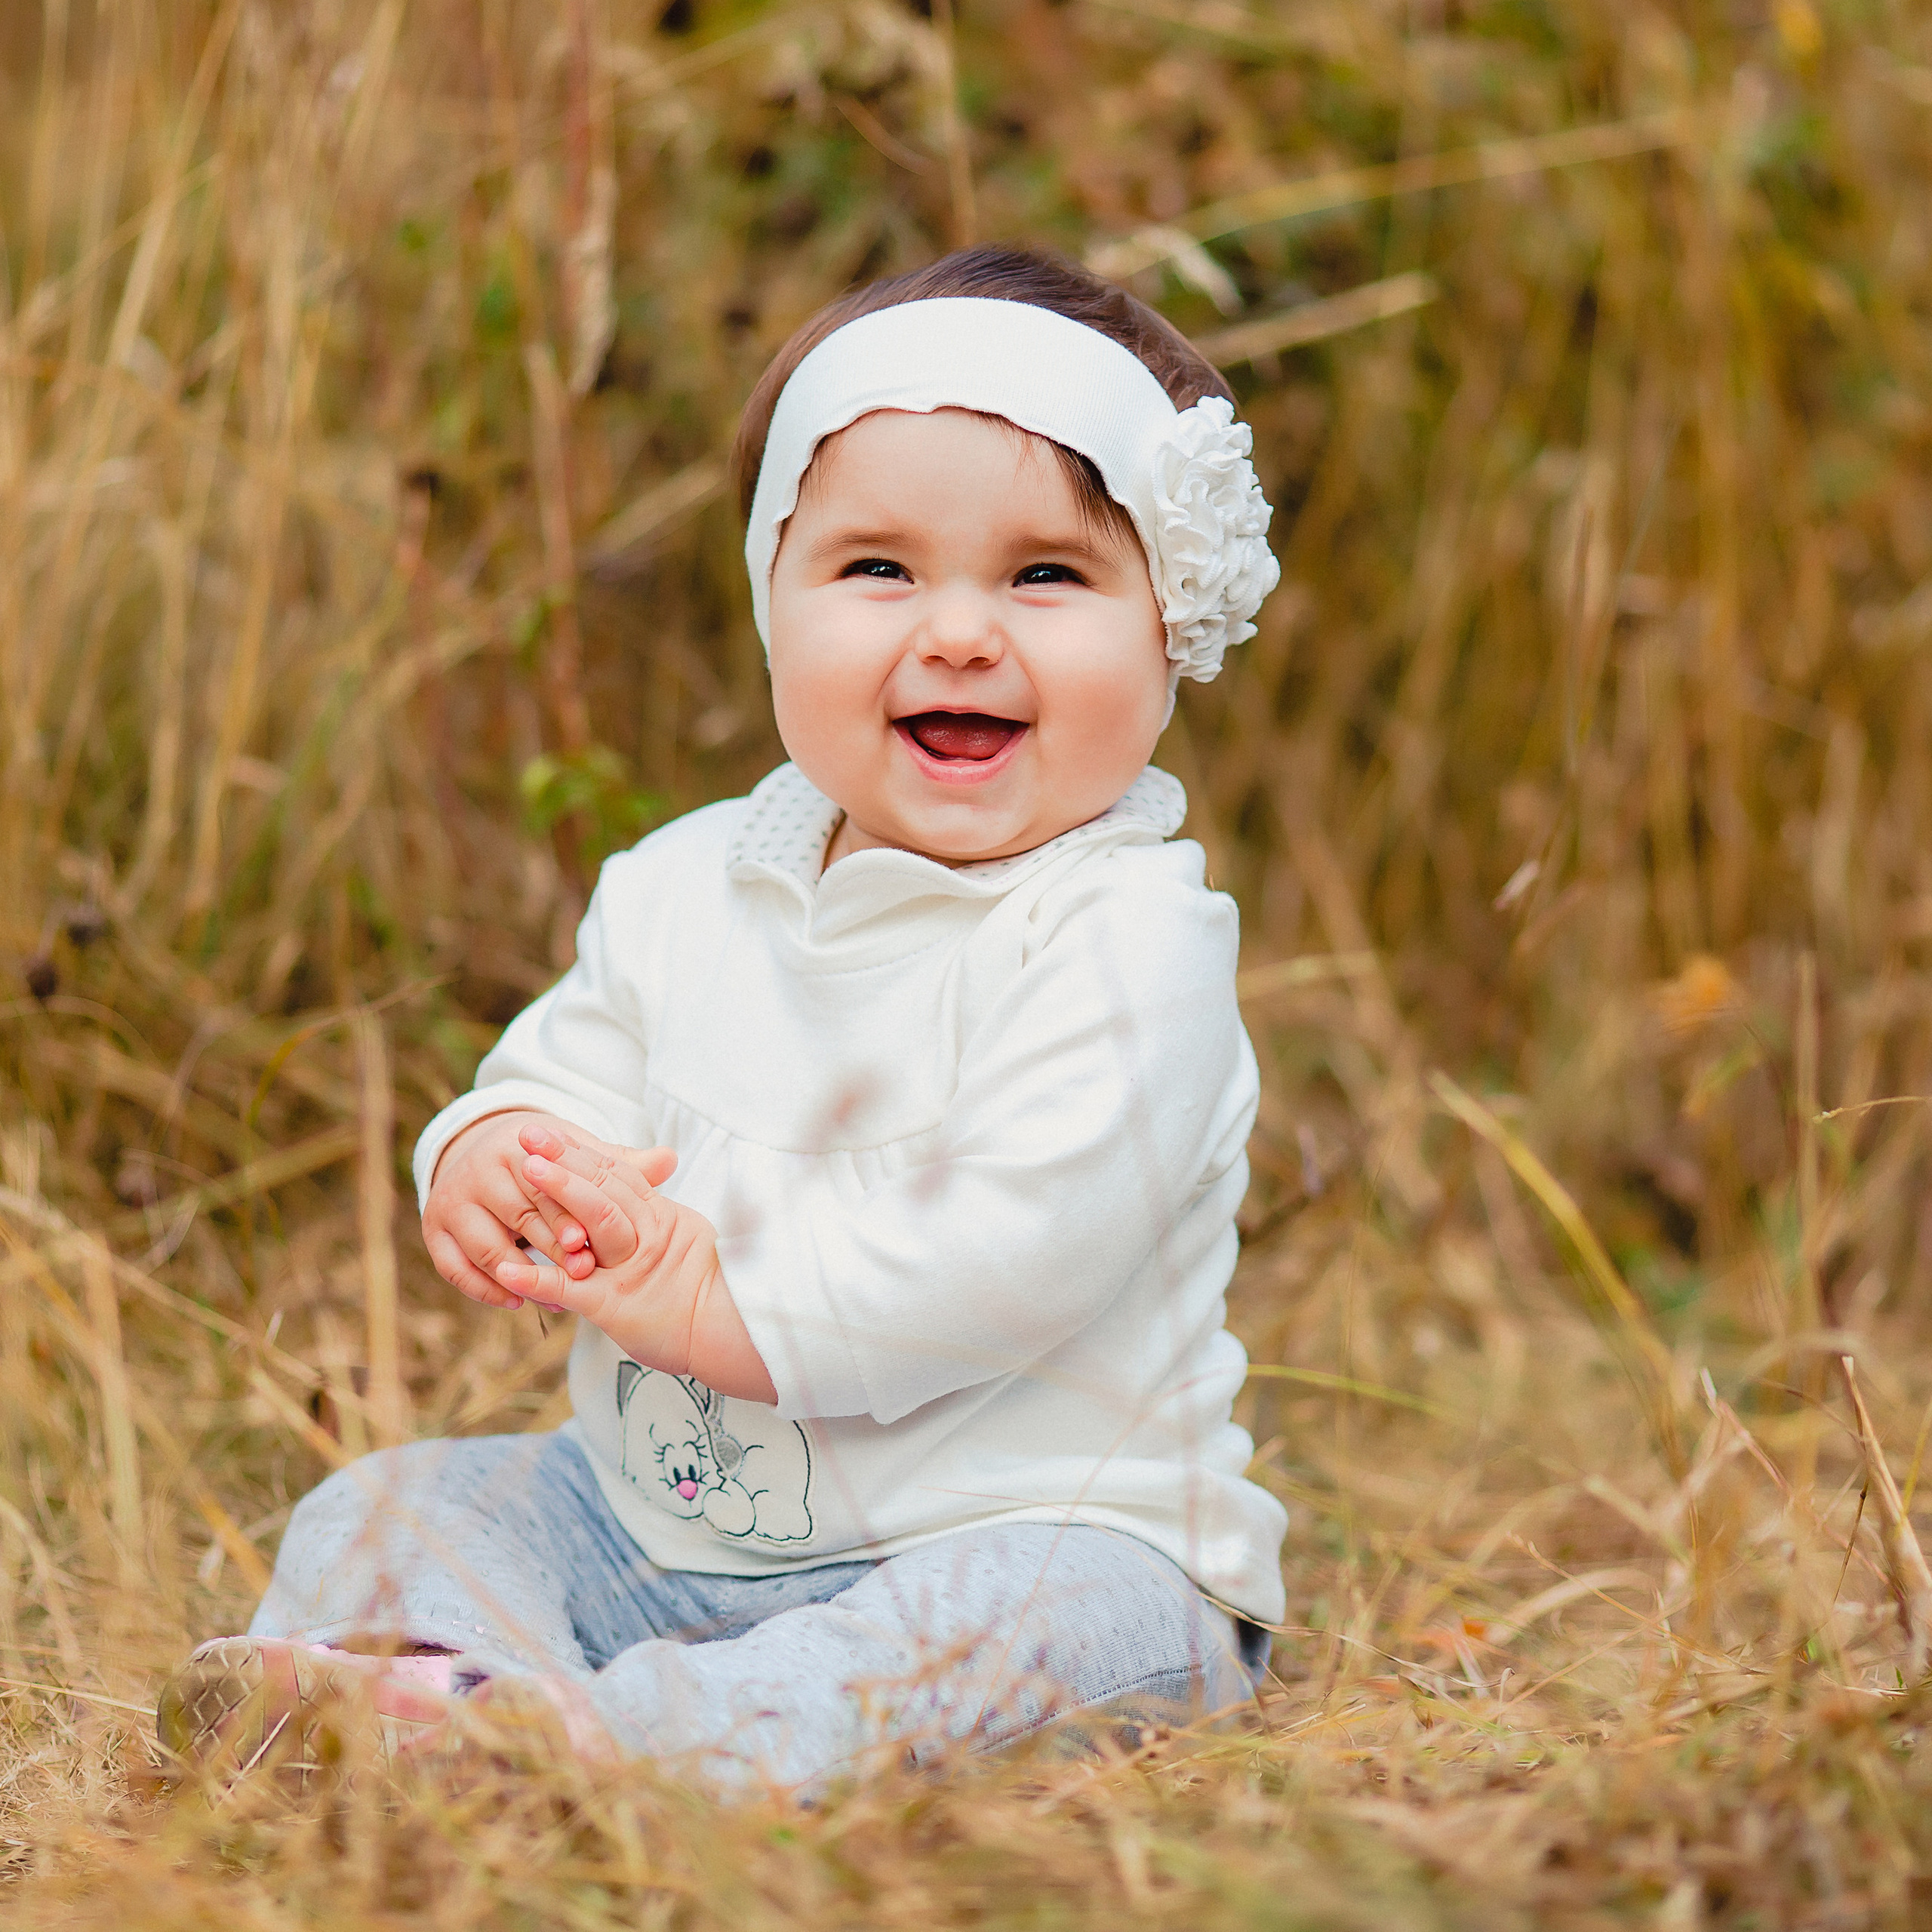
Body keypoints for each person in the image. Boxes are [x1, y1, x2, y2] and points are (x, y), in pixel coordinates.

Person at [158, 245, 1289, 1795]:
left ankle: (589, 1753)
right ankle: (426, 1695)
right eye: (876, 568)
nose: (957, 631)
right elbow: (562, 1067)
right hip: (650, 1523)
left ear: (1172, 623)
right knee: (401, 1498)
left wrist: (718, 1306)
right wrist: (496, 1154)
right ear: (773, 595)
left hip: (1047, 1534)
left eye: (1045, 573)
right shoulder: (686, 883)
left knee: (1004, 1624)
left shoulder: (1127, 937)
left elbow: (1013, 1246)